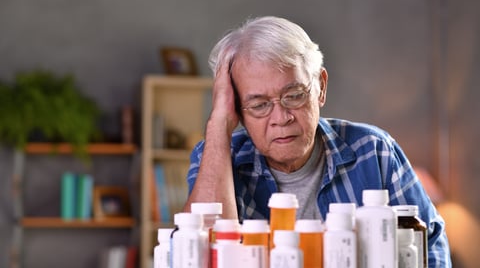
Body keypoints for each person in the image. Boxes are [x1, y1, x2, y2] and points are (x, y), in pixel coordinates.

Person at [184, 16, 451, 266]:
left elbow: (431, 249)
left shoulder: (375, 151)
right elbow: (199, 254)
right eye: (259, 105)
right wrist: (218, 123)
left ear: (320, 87)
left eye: (294, 95)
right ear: (238, 110)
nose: (281, 118)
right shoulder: (218, 157)